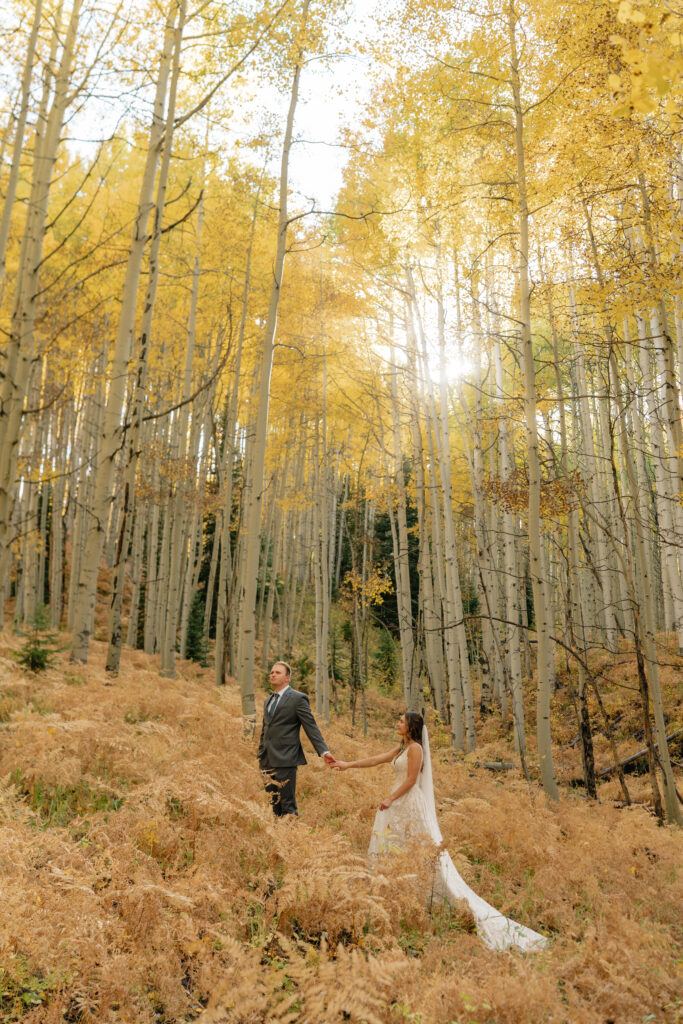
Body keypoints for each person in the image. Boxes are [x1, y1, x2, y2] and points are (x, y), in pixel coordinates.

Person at [330, 711, 547, 952]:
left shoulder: (415, 750)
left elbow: (412, 779)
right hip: (398, 803)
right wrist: (347, 765)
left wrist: (390, 797)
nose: (397, 723)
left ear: (411, 726)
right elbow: (376, 759)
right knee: (398, 846)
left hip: (408, 802)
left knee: (416, 848)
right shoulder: (402, 748)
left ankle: (428, 896)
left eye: (402, 721)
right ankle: (400, 893)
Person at [257, 661, 334, 817]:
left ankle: (291, 838)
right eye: (272, 672)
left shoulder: (298, 698)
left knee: (287, 804)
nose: (273, 674)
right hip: (266, 759)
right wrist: (260, 751)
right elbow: (266, 729)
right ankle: (278, 837)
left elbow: (310, 726)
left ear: (287, 678)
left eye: (278, 672)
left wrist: (323, 751)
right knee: (273, 803)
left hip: (286, 758)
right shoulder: (268, 700)